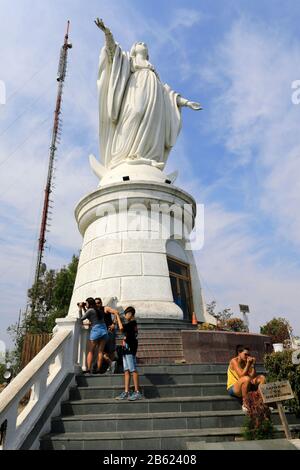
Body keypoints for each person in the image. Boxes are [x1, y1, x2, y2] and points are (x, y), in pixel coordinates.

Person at [78, 297, 118, 374]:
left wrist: (80, 308)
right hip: (104, 331)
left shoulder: (90, 310)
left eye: (86, 303)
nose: (85, 305)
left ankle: (88, 369)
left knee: (91, 351)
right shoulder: (99, 311)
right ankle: (99, 369)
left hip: (96, 331)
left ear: (89, 304)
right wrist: (84, 308)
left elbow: (81, 319)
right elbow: (91, 317)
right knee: (100, 351)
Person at [114, 306, 143, 401]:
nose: (125, 316)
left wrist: (117, 316)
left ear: (130, 314)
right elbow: (125, 332)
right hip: (126, 349)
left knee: (133, 369)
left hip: (130, 348)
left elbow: (121, 328)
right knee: (126, 370)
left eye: (126, 314)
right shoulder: (131, 324)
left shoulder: (132, 323)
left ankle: (137, 392)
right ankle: (126, 392)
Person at [227, 345, 266, 413]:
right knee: (246, 379)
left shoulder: (246, 362)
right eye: (245, 354)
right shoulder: (234, 361)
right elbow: (241, 375)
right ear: (239, 353)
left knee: (262, 378)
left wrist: (253, 365)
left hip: (245, 383)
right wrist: (248, 364)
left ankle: (259, 401)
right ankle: (245, 404)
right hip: (233, 388)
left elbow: (252, 376)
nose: (247, 356)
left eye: (248, 354)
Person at [95, 297, 117, 374]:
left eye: (99, 302)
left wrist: (114, 324)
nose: (97, 304)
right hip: (101, 333)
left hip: (109, 331)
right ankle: (111, 363)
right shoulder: (95, 312)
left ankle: (111, 367)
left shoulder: (105, 308)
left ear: (101, 303)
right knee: (102, 351)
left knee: (110, 350)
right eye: (96, 303)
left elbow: (116, 312)